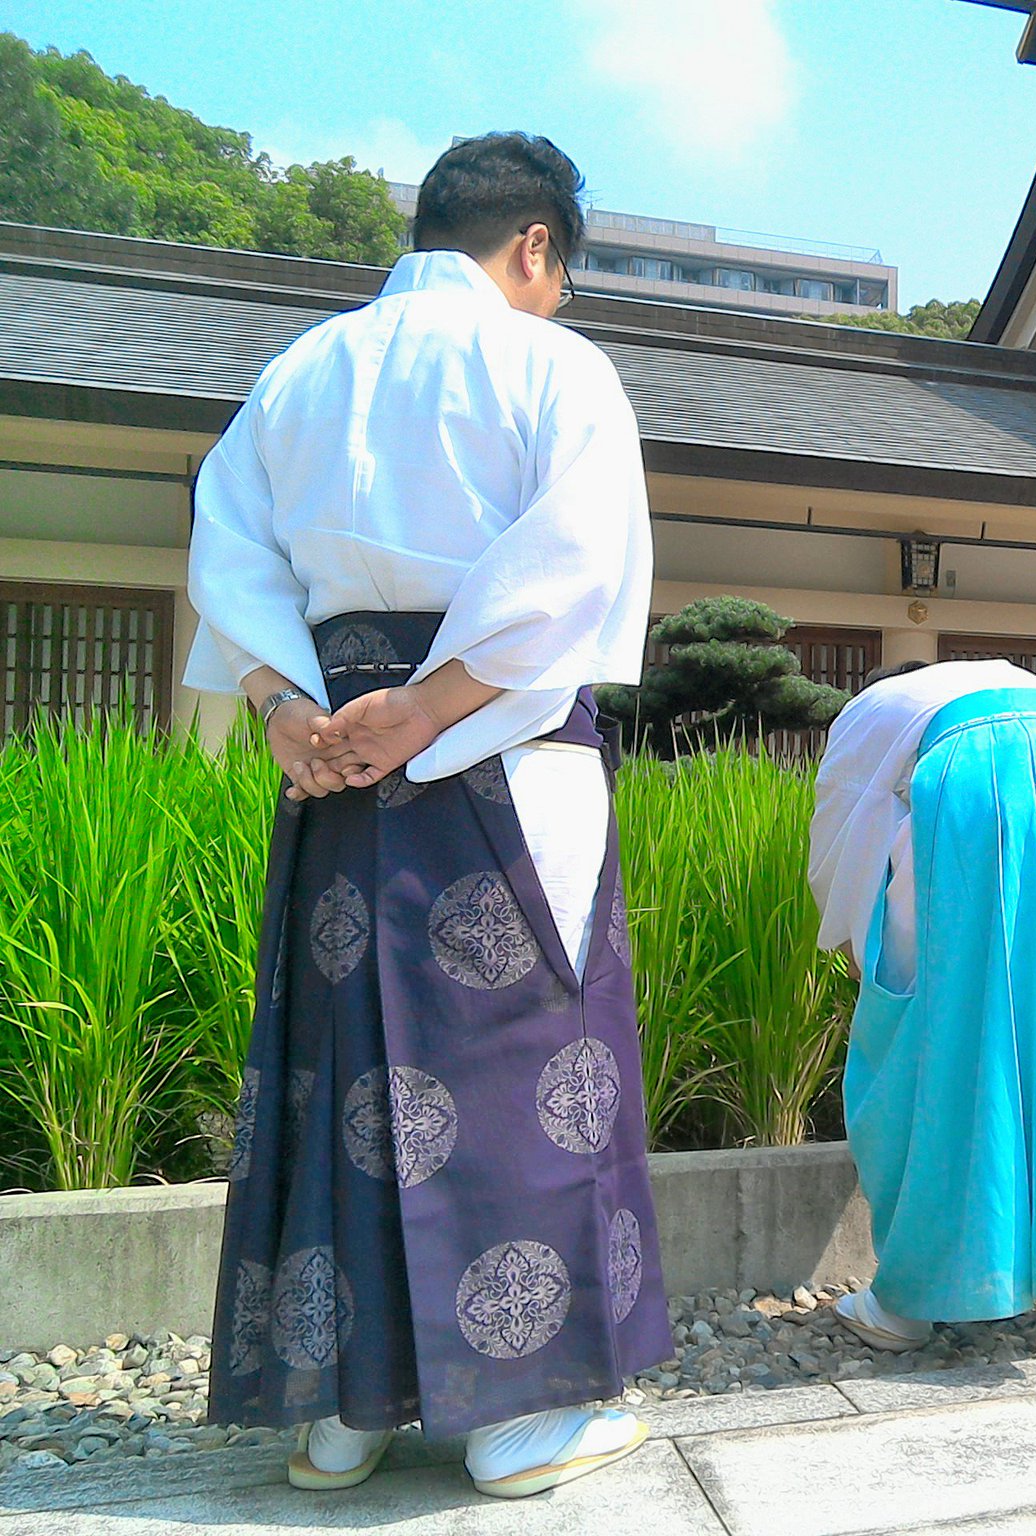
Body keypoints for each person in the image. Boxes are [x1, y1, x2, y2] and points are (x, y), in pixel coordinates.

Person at [184, 133, 667, 1499]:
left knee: (343, 1070)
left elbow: (229, 552)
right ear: (533, 247)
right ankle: (522, 1420)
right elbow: (575, 561)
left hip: (334, 760)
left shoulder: (294, 374)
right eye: (560, 272)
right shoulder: (551, 364)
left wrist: (291, 708)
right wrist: (436, 701)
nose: (560, 297)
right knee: (524, 1071)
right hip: (491, 755)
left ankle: (340, 1416)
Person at [808, 659, 1036, 1349]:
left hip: (972, 792)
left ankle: (909, 1304)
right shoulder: (1018, 685)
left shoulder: (875, 709)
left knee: (941, 1037)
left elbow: (841, 840)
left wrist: (863, 956)